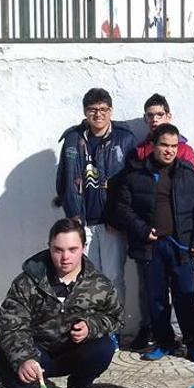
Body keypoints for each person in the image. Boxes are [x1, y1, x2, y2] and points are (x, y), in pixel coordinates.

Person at [0, 219, 123, 388]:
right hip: (38, 355)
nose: (65, 257)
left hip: (74, 353)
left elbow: (114, 317)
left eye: (72, 249)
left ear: (84, 248)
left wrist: (91, 326)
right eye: (58, 250)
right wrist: (24, 357)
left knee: (104, 347)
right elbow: (12, 324)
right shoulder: (27, 282)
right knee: (3, 352)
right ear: (49, 247)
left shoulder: (99, 284)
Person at [110, 123, 194, 364]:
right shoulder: (136, 174)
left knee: (186, 298)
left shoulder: (187, 173)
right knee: (155, 299)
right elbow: (123, 207)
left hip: (182, 247)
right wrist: (143, 231)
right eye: (164, 145)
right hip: (151, 247)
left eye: (174, 146)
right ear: (153, 145)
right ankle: (164, 343)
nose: (169, 151)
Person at [56, 88, 135, 333]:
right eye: (92, 110)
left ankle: (113, 331)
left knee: (112, 279)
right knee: (84, 280)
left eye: (103, 109)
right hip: (81, 223)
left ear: (110, 111)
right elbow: (62, 180)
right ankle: (88, 330)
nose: (98, 114)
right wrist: (72, 215)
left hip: (111, 223)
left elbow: (131, 183)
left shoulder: (125, 138)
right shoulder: (72, 139)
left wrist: (119, 217)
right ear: (85, 112)